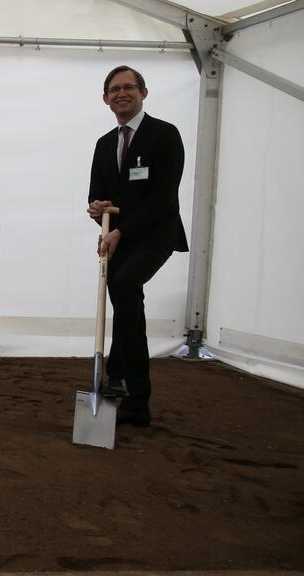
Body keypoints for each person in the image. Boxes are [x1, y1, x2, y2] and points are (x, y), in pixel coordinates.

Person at [87, 65, 188, 428]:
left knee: (126, 285)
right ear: (105, 99)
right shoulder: (104, 144)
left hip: (155, 235)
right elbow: (97, 197)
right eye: (114, 89)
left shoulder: (164, 135)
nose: (121, 94)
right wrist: (97, 212)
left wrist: (122, 230)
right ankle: (124, 387)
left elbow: (164, 199)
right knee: (125, 302)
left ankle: (130, 386)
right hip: (118, 238)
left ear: (143, 93)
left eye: (128, 87)